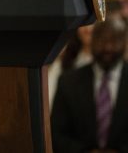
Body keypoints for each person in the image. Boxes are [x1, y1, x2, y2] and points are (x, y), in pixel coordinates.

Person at [51, 13, 128, 153]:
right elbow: (56, 135)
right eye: (102, 41)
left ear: (124, 42)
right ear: (92, 42)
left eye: (114, 40)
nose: (108, 47)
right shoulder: (68, 82)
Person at [48, 24, 94, 105]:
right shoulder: (64, 61)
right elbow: (50, 97)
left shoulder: (107, 62)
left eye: (94, 23)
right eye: (84, 24)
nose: (88, 29)